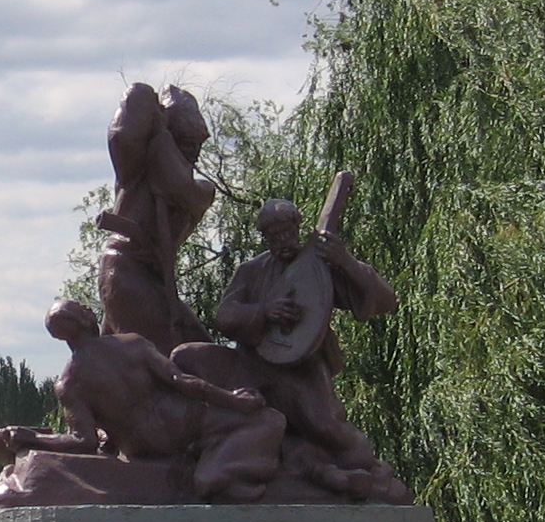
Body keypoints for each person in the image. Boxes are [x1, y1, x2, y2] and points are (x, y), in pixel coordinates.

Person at [173, 198, 408, 503]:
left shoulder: (319, 264)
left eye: (286, 232)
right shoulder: (252, 270)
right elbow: (225, 315)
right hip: (251, 364)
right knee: (186, 356)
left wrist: (345, 261)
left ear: (297, 228)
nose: (282, 241)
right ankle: (219, 458)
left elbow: (384, 300)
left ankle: (364, 474)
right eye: (273, 236)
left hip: (301, 368)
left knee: (328, 428)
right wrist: (264, 311)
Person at [0, 299, 286, 501]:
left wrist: (34, 439)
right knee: (270, 419)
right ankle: (220, 479)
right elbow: (182, 382)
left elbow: (82, 441)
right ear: (86, 317)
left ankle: (217, 474)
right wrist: (234, 400)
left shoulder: (69, 383)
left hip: (146, 446)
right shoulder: (131, 344)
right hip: (183, 422)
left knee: (248, 428)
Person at [96, 83, 218, 355]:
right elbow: (122, 134)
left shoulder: (202, 191)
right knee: (162, 360)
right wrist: (145, 97)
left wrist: (162, 139)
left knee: (204, 354)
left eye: (197, 144)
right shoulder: (135, 174)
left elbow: (178, 186)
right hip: (125, 270)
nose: (194, 152)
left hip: (153, 280)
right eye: (186, 143)